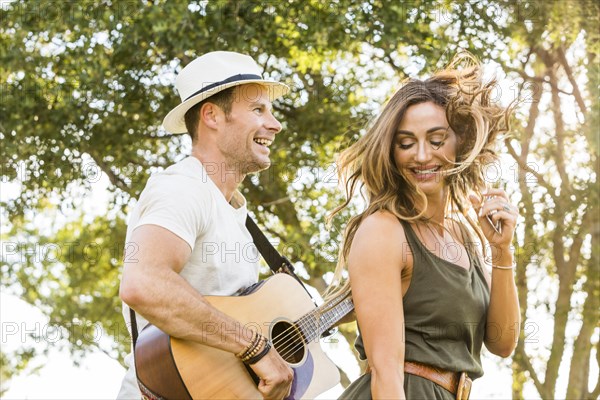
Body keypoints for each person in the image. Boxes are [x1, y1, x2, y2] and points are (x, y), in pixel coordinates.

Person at [326, 54, 521, 399]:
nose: (420, 155)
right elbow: (385, 373)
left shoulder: (462, 236)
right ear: (390, 151)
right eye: (405, 143)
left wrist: (501, 250)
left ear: (459, 142)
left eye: (436, 140)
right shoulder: (383, 231)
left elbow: (502, 342)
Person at [117, 51, 294, 399]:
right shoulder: (183, 186)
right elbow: (143, 283)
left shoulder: (235, 213)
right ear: (212, 115)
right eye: (258, 110)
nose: (275, 124)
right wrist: (254, 348)